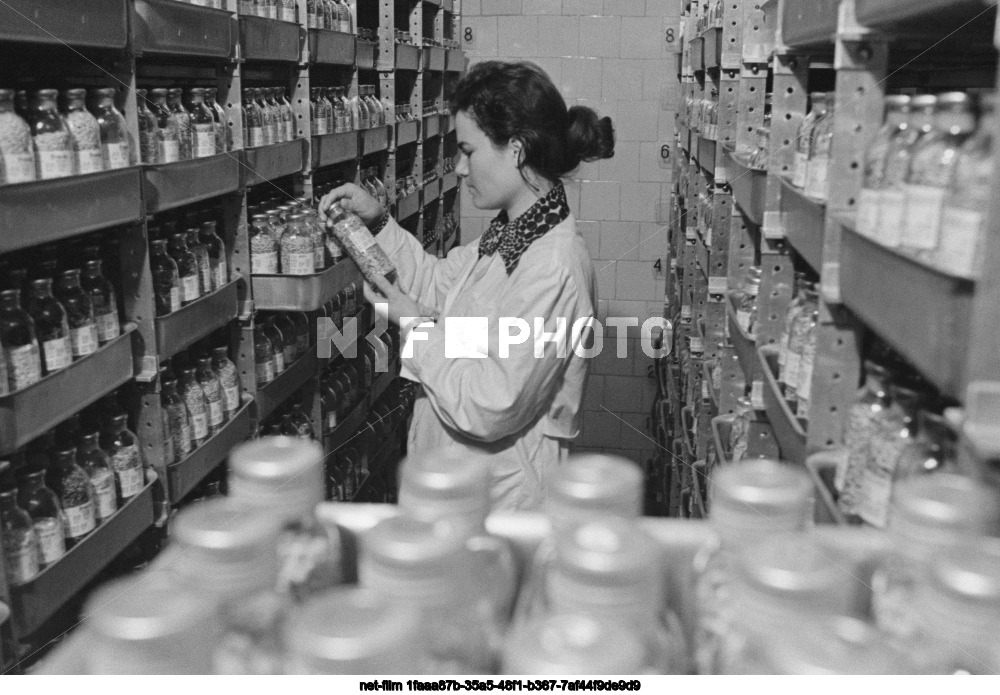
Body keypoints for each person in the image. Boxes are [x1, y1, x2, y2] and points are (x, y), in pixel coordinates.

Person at [320, 60, 614, 511]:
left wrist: (415, 328)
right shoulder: (514, 233)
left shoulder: (552, 267)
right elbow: (441, 285)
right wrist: (376, 224)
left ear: (515, 149)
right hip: (463, 488)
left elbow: (491, 403)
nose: (458, 167)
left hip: (499, 502)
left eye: (468, 151)